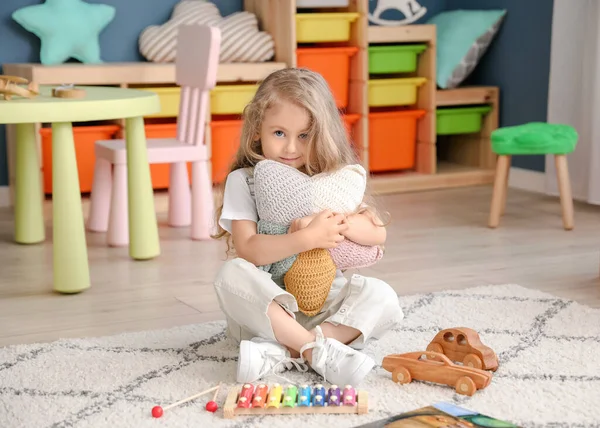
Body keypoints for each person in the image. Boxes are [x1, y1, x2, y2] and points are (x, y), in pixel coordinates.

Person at [211, 68, 404, 387]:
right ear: (257, 129)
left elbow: (377, 232)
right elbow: (248, 249)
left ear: (323, 133)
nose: (290, 148)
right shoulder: (244, 181)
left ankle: (284, 352)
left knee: (383, 297)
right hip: (268, 309)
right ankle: (316, 352)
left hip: (325, 305)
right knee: (230, 275)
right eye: (279, 133)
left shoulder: (332, 179)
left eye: (304, 135)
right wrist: (305, 238)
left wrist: (334, 224)